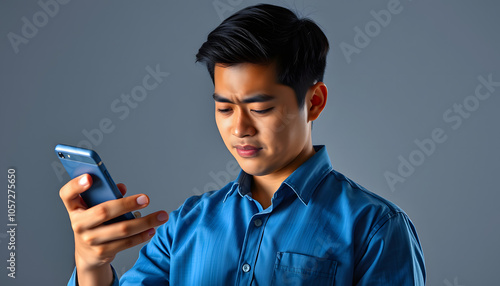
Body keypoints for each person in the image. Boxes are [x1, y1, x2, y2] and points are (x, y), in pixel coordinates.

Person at [61, 4, 426, 285]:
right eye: (224, 108)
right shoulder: (186, 226)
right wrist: (91, 265)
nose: (239, 128)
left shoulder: (377, 227)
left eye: (261, 108)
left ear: (314, 101)